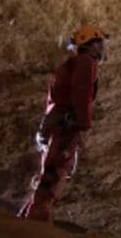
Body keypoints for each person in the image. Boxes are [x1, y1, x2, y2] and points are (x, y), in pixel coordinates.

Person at [19, 26, 108, 222]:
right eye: (101, 43)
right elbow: (81, 94)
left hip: (54, 123)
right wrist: (84, 125)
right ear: (91, 45)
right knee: (55, 174)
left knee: (50, 172)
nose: (103, 48)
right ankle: (36, 223)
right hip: (64, 126)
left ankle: (26, 219)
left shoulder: (70, 65)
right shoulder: (86, 62)